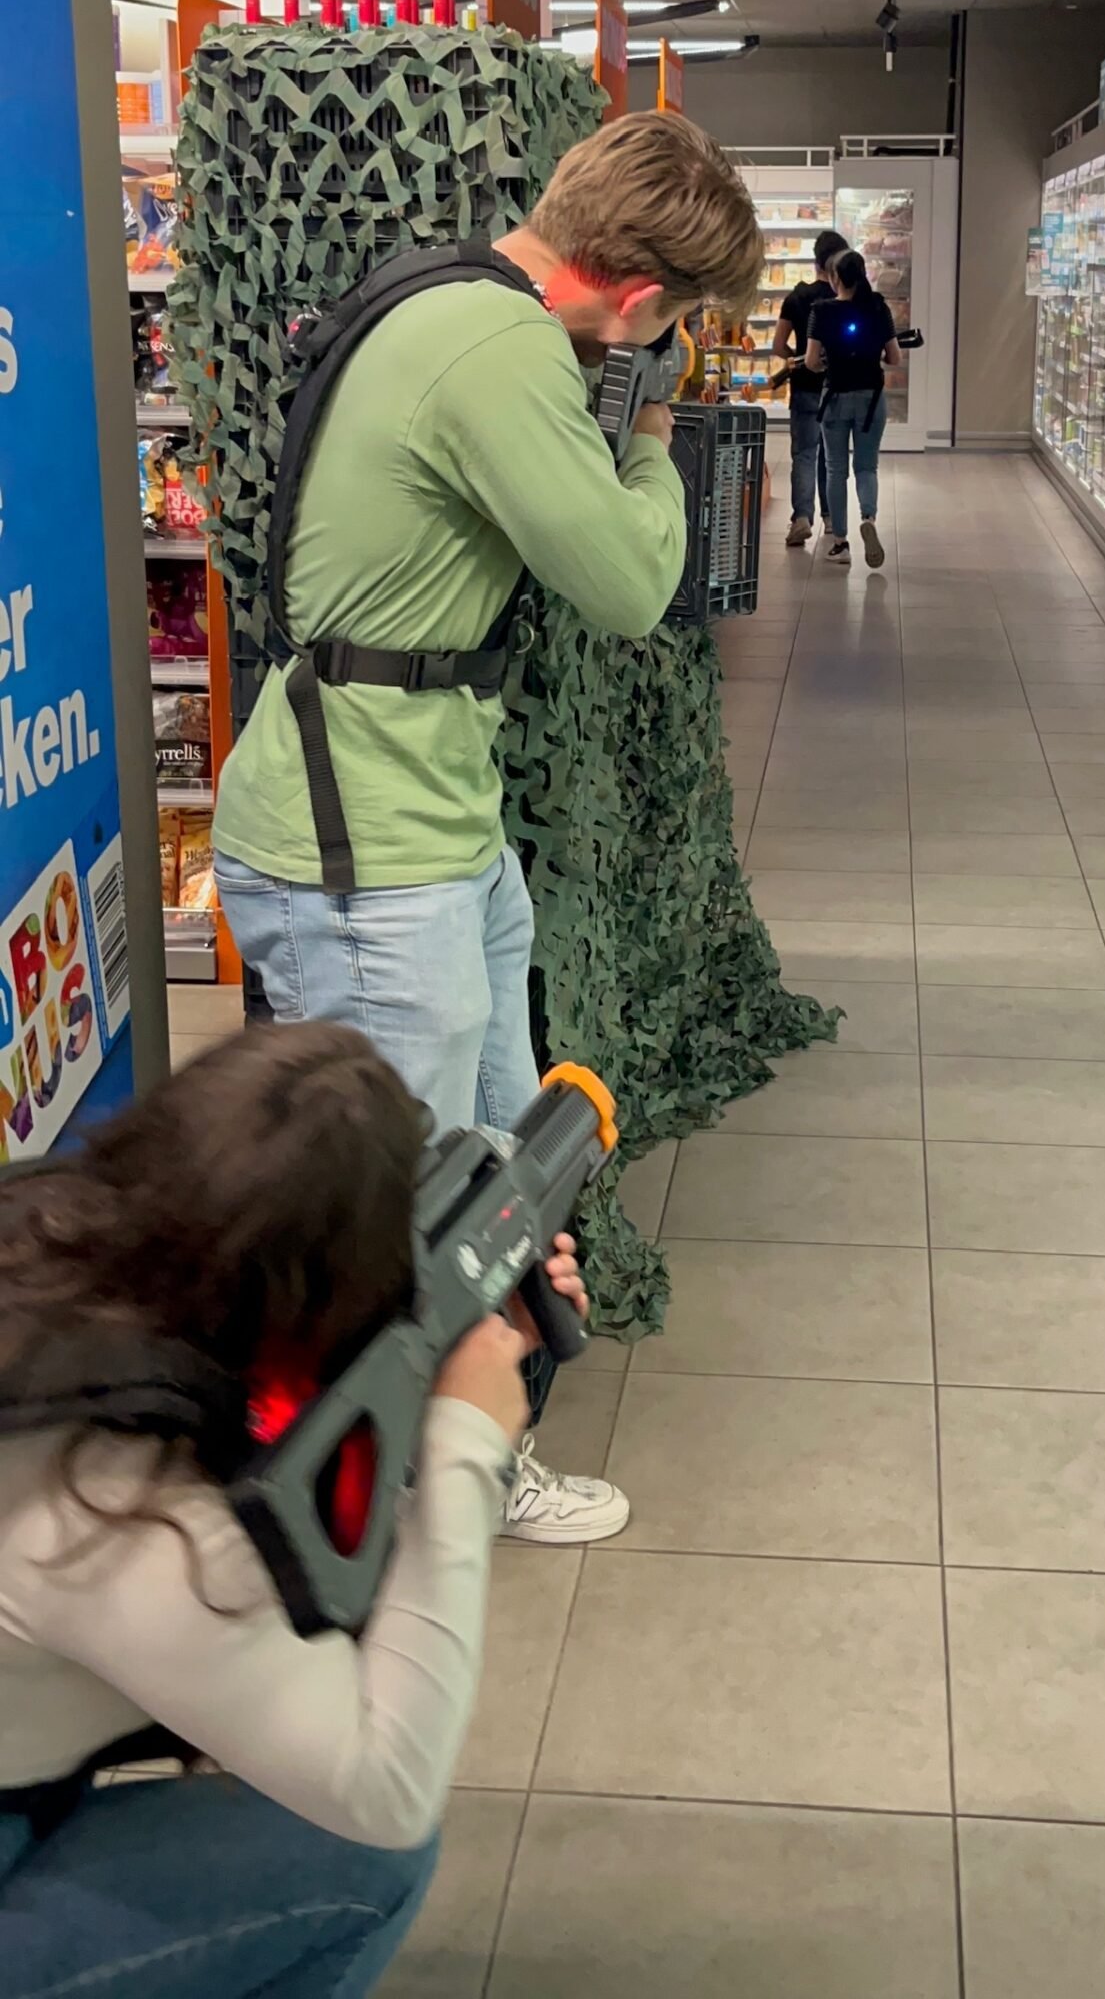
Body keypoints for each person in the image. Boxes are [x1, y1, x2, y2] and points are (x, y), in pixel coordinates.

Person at [213, 112, 763, 1543]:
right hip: (368, 853)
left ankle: (457, 1452)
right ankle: (371, 1524)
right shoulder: (508, 350)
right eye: (674, 323)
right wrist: (649, 426)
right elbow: (637, 580)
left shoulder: (447, 294)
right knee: (402, 1217)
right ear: (641, 303)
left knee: (497, 1180)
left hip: (423, 829)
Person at [0, 1019, 589, 1997]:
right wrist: (458, 1447)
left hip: (28, 1746)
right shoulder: (130, 1524)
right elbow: (384, 1785)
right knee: (356, 1863)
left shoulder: (54, 1235)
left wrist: (440, 1340)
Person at [805, 249, 901, 570]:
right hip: (871, 398)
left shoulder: (822, 311)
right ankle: (869, 517)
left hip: (835, 398)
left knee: (835, 469)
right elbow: (895, 358)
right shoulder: (878, 308)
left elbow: (810, 362)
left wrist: (825, 365)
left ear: (834, 278)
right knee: (866, 466)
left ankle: (841, 542)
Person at [773, 227, 847, 547]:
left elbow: (778, 345)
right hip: (836, 388)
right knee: (831, 455)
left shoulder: (797, 297)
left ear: (815, 261)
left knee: (804, 453)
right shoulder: (845, 300)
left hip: (804, 387)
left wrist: (796, 359)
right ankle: (831, 519)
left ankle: (801, 518)